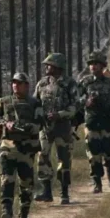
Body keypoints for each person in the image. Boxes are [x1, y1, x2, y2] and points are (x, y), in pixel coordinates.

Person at [0, 72, 44, 218]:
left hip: (27, 149)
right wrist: (2, 124)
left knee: (26, 184)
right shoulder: (4, 101)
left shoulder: (34, 103)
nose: (15, 85)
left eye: (19, 83)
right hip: (8, 146)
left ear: (26, 85)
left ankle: (23, 216)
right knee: (7, 180)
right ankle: (6, 212)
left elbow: (40, 124)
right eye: (13, 82)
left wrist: (25, 127)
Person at [33, 53, 78, 205]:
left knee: (64, 159)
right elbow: (35, 103)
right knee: (43, 157)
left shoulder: (69, 84)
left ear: (58, 66)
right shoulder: (42, 83)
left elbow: (75, 106)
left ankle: (64, 193)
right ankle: (46, 192)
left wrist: (59, 115)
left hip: (62, 128)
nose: (46, 67)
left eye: (49, 65)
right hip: (45, 128)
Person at [80, 51, 110, 193]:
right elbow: (75, 99)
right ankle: (97, 181)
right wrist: (86, 102)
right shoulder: (85, 82)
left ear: (102, 65)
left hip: (107, 121)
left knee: (109, 151)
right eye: (91, 64)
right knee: (93, 154)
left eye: (96, 64)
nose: (93, 66)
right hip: (91, 121)